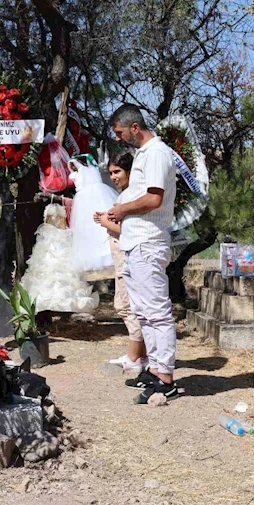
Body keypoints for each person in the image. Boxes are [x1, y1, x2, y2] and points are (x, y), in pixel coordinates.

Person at [106, 104, 179, 404]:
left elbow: (153, 198)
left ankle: (166, 378)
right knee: (144, 313)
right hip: (135, 244)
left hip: (149, 243)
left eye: (121, 133)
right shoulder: (143, 155)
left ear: (135, 127)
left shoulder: (158, 153)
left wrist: (122, 208)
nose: (121, 139)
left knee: (157, 312)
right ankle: (153, 368)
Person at [93, 151, 148, 372]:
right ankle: (140, 355)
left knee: (125, 305)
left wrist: (105, 222)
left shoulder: (131, 197)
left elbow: (128, 231)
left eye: (117, 172)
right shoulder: (127, 195)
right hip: (122, 258)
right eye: (111, 173)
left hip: (127, 257)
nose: (114, 177)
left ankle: (134, 358)